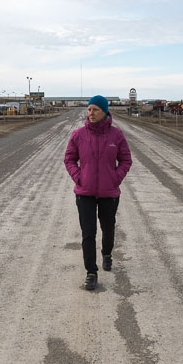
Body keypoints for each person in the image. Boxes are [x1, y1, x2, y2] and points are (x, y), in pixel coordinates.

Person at [64, 95, 132, 290]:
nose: (90, 113)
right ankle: (91, 272)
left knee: (108, 228)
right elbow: (69, 159)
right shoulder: (78, 135)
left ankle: (107, 253)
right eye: (89, 109)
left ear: (104, 111)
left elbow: (126, 160)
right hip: (84, 192)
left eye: (95, 109)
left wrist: (115, 178)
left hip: (109, 193)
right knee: (88, 232)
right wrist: (78, 177)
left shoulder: (116, 135)